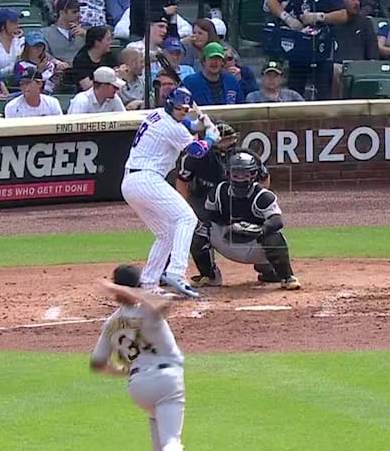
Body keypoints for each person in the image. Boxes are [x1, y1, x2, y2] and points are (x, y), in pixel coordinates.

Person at [91, 264, 189, 451]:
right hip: (167, 379)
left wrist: (123, 372)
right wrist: (124, 289)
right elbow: (164, 304)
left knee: (156, 420)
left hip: (137, 386)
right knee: (171, 436)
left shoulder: (111, 323)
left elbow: (98, 364)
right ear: (139, 285)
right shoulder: (148, 307)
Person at [120, 87, 219, 299]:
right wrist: (210, 137)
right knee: (186, 218)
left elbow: (188, 124)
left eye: (185, 110)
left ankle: (148, 283)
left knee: (165, 234)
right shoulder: (171, 127)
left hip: (132, 182)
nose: (181, 113)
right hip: (147, 179)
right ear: (169, 105)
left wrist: (199, 124)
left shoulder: (158, 114)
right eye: (178, 109)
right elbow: (197, 151)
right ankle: (176, 272)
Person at [177, 124, 273, 285]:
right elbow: (182, 180)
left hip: (237, 199)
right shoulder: (195, 156)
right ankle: (209, 273)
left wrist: (254, 199)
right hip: (204, 201)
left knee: (261, 225)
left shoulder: (245, 156)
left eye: (230, 139)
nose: (226, 144)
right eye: (222, 140)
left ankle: (269, 267)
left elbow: (264, 177)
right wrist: (184, 206)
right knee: (195, 229)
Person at [197, 151, 302, 291]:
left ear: (254, 175)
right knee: (198, 229)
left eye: (245, 174)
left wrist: (258, 230)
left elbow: (277, 221)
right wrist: (231, 226)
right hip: (226, 241)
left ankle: (286, 276)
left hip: (255, 245)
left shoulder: (263, 196)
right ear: (228, 174)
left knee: (274, 236)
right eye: (236, 174)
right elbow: (208, 216)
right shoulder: (218, 192)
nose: (240, 178)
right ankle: (209, 275)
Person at [267, 0, 348, 100]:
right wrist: (287, 18)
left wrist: (320, 16)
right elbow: (271, 1)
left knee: (323, 91)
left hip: (321, 46)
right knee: (295, 88)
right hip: (299, 43)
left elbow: (343, 15)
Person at [332, 0, 379, 97]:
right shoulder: (333, 22)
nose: (357, 3)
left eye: (359, 0)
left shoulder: (365, 23)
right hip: (338, 66)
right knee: (334, 70)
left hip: (360, 66)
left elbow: (372, 51)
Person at [67, 26, 119, 91]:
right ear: (97, 42)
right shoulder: (81, 59)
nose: (110, 42)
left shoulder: (108, 55)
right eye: (108, 39)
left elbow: (116, 70)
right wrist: (109, 77)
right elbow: (86, 86)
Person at [42, 0, 86, 64]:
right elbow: (43, 54)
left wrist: (87, 35)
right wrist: (57, 63)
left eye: (79, 12)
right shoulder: (45, 33)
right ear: (62, 13)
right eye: (74, 12)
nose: (79, 15)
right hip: (60, 71)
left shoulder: (84, 33)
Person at [0, 9, 25, 74]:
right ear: (2, 26)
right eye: (13, 23)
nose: (17, 26)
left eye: (17, 22)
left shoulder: (20, 42)